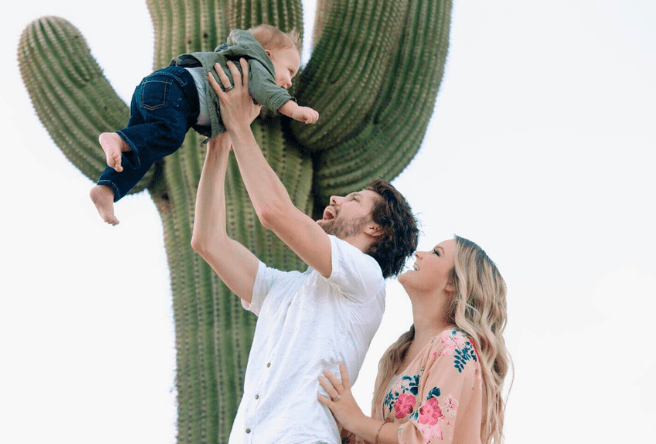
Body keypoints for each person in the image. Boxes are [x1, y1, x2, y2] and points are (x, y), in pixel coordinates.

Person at [190, 58, 418, 444]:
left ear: (374, 228)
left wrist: (241, 124)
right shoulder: (284, 290)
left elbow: (273, 212)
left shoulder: (365, 281)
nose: (336, 197)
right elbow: (207, 241)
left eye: (354, 199)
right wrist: (221, 141)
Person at [90, 24, 319, 225]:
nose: (289, 81)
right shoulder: (256, 66)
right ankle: (116, 139)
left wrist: (231, 134)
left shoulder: (238, 67)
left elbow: (232, 113)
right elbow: (270, 92)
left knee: (142, 147)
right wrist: (295, 109)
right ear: (267, 55)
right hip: (178, 90)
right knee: (169, 135)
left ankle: (107, 188)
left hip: (161, 88)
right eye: (289, 71)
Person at [318, 236, 511, 444]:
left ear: (454, 283)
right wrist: (341, 422)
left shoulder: (454, 346)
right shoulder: (398, 353)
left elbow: (425, 439)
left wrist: (355, 419)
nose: (419, 254)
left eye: (436, 253)